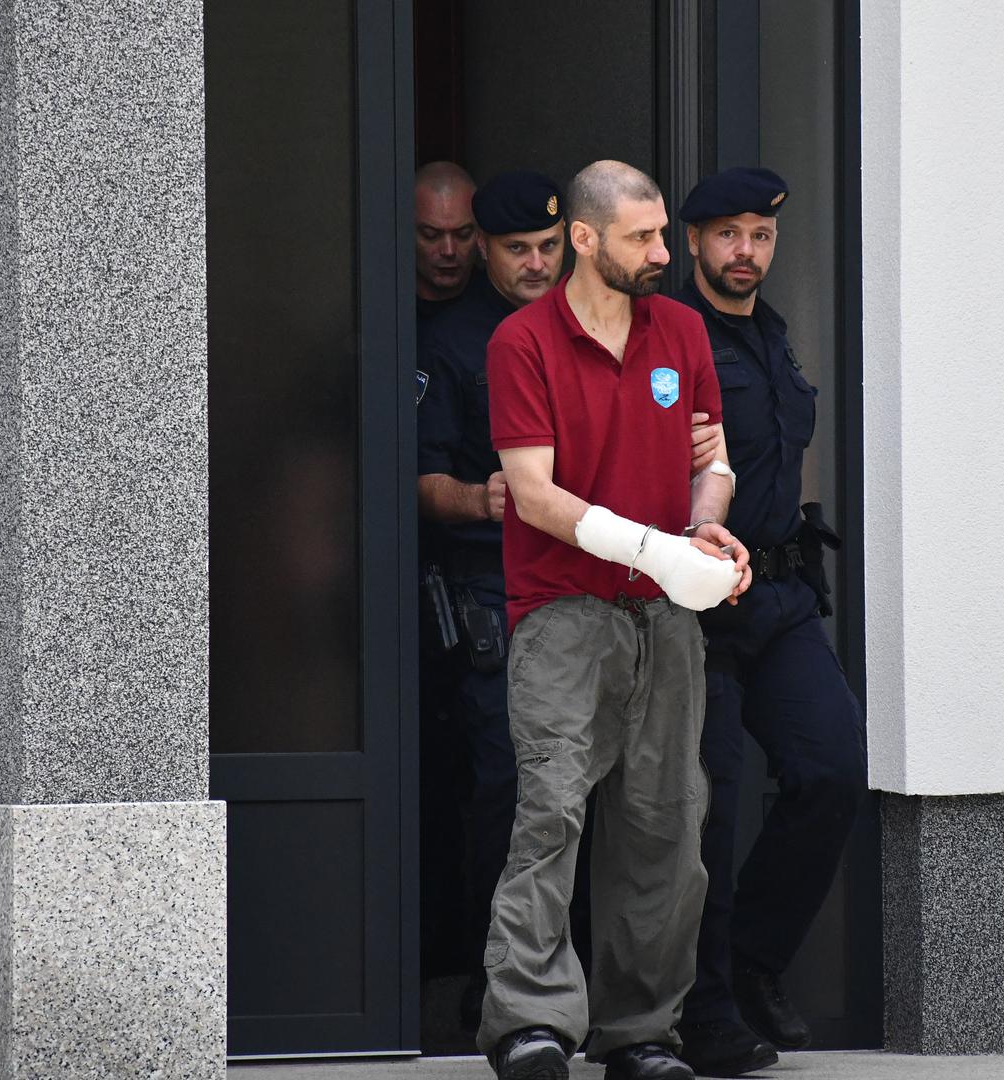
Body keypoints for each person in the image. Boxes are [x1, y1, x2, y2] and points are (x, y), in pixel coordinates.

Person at [478, 159, 752, 1080]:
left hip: (664, 619)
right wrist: (659, 552)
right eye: (643, 237)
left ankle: (640, 1032)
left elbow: (712, 462)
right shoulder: (522, 341)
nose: (664, 252)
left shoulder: (682, 330)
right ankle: (530, 1024)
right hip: (562, 613)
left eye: (663, 233)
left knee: (666, 826)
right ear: (586, 239)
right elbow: (532, 494)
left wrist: (706, 530)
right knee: (551, 814)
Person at [671, 167, 868, 1078]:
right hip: (698, 605)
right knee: (702, 810)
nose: (745, 251)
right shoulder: (669, 338)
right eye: (728, 234)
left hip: (781, 599)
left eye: (761, 234)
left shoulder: (774, 337)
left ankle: (751, 961)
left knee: (831, 770)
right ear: (694, 241)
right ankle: (700, 1010)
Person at [417, 169, 568, 1031]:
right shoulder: (451, 340)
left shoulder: (592, 323)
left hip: (591, 588)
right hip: (493, 588)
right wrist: (482, 499)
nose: (536, 264)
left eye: (549, 247)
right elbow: (417, 479)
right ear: (486, 249)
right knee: (505, 787)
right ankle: (495, 980)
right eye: (518, 250)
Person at [415, 161, 478, 322]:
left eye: (463, 235)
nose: (449, 250)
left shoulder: (502, 312)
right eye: (431, 235)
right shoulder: (382, 306)